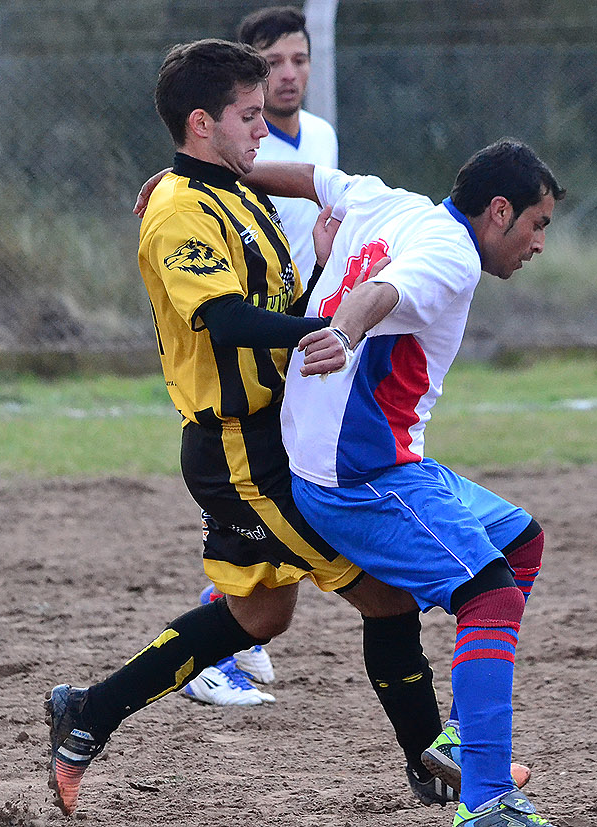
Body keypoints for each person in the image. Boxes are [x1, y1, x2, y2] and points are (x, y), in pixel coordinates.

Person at [44, 38, 462, 816]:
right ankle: (431, 765)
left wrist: (321, 277)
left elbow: (273, 300)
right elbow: (227, 320)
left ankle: (87, 711)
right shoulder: (176, 209)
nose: (261, 129)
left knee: (261, 613)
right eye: (246, 115)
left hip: (271, 435)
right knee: (388, 594)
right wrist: (328, 326)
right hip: (240, 448)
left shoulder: (237, 193)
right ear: (200, 123)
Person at [245, 139, 564, 825]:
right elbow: (378, 292)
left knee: (521, 541)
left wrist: (214, 168)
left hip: (368, 460)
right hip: (360, 478)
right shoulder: (450, 256)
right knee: (490, 595)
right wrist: (345, 332)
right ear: (498, 210)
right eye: (537, 224)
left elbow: (309, 178)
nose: (538, 243)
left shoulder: (389, 202)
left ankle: (459, 739)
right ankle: (485, 800)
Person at [181, 2, 341, 708]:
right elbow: (199, 194)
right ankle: (222, 644)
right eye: (272, 62)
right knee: (274, 508)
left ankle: (237, 636)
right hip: (273, 344)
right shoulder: (234, 147)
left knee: (281, 506)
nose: (288, 75)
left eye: (299, 60)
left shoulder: (323, 136)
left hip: (305, 330)